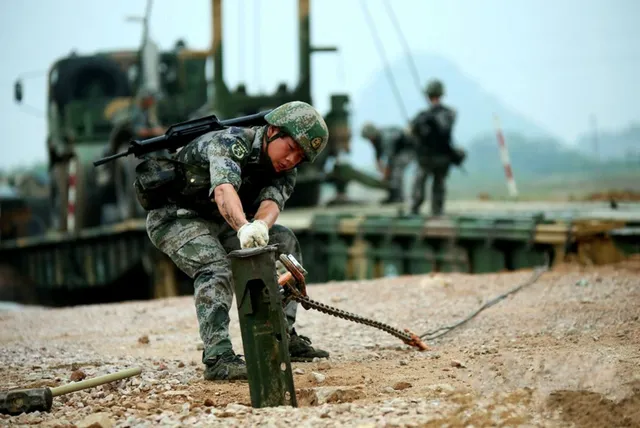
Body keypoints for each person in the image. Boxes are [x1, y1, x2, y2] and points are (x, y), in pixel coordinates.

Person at [144, 101, 330, 381]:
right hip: (176, 218)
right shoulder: (230, 142)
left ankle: (281, 335)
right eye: (291, 148)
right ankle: (218, 358)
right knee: (215, 267)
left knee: (284, 242)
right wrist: (244, 228)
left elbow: (271, 203)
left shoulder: (284, 171)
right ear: (273, 131)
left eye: (300, 156)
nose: (291, 159)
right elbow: (224, 189)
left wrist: (260, 227)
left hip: (221, 222)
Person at [409, 79, 459, 216]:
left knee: (423, 181)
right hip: (434, 155)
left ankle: (419, 209)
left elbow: (443, 130)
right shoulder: (447, 113)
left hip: (432, 156)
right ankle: (433, 210)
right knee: (433, 183)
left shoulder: (428, 115)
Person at [360, 123, 415, 204]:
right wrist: (381, 169)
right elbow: (378, 156)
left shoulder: (386, 138)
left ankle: (397, 196)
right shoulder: (376, 139)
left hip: (407, 150)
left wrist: (386, 174)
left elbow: (390, 159)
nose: (369, 140)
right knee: (392, 171)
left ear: (372, 134)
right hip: (397, 153)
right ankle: (392, 195)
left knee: (396, 170)